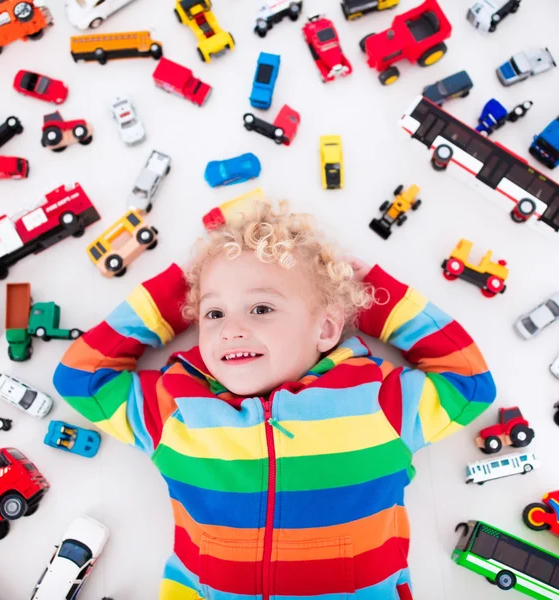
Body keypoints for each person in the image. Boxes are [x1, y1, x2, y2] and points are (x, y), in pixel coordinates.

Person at [53, 199, 495, 600]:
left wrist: (376, 298)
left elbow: (470, 384)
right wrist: (177, 293)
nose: (230, 329)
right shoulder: (178, 410)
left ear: (325, 329)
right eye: (213, 313)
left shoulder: (377, 401)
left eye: (261, 308)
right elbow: (80, 378)